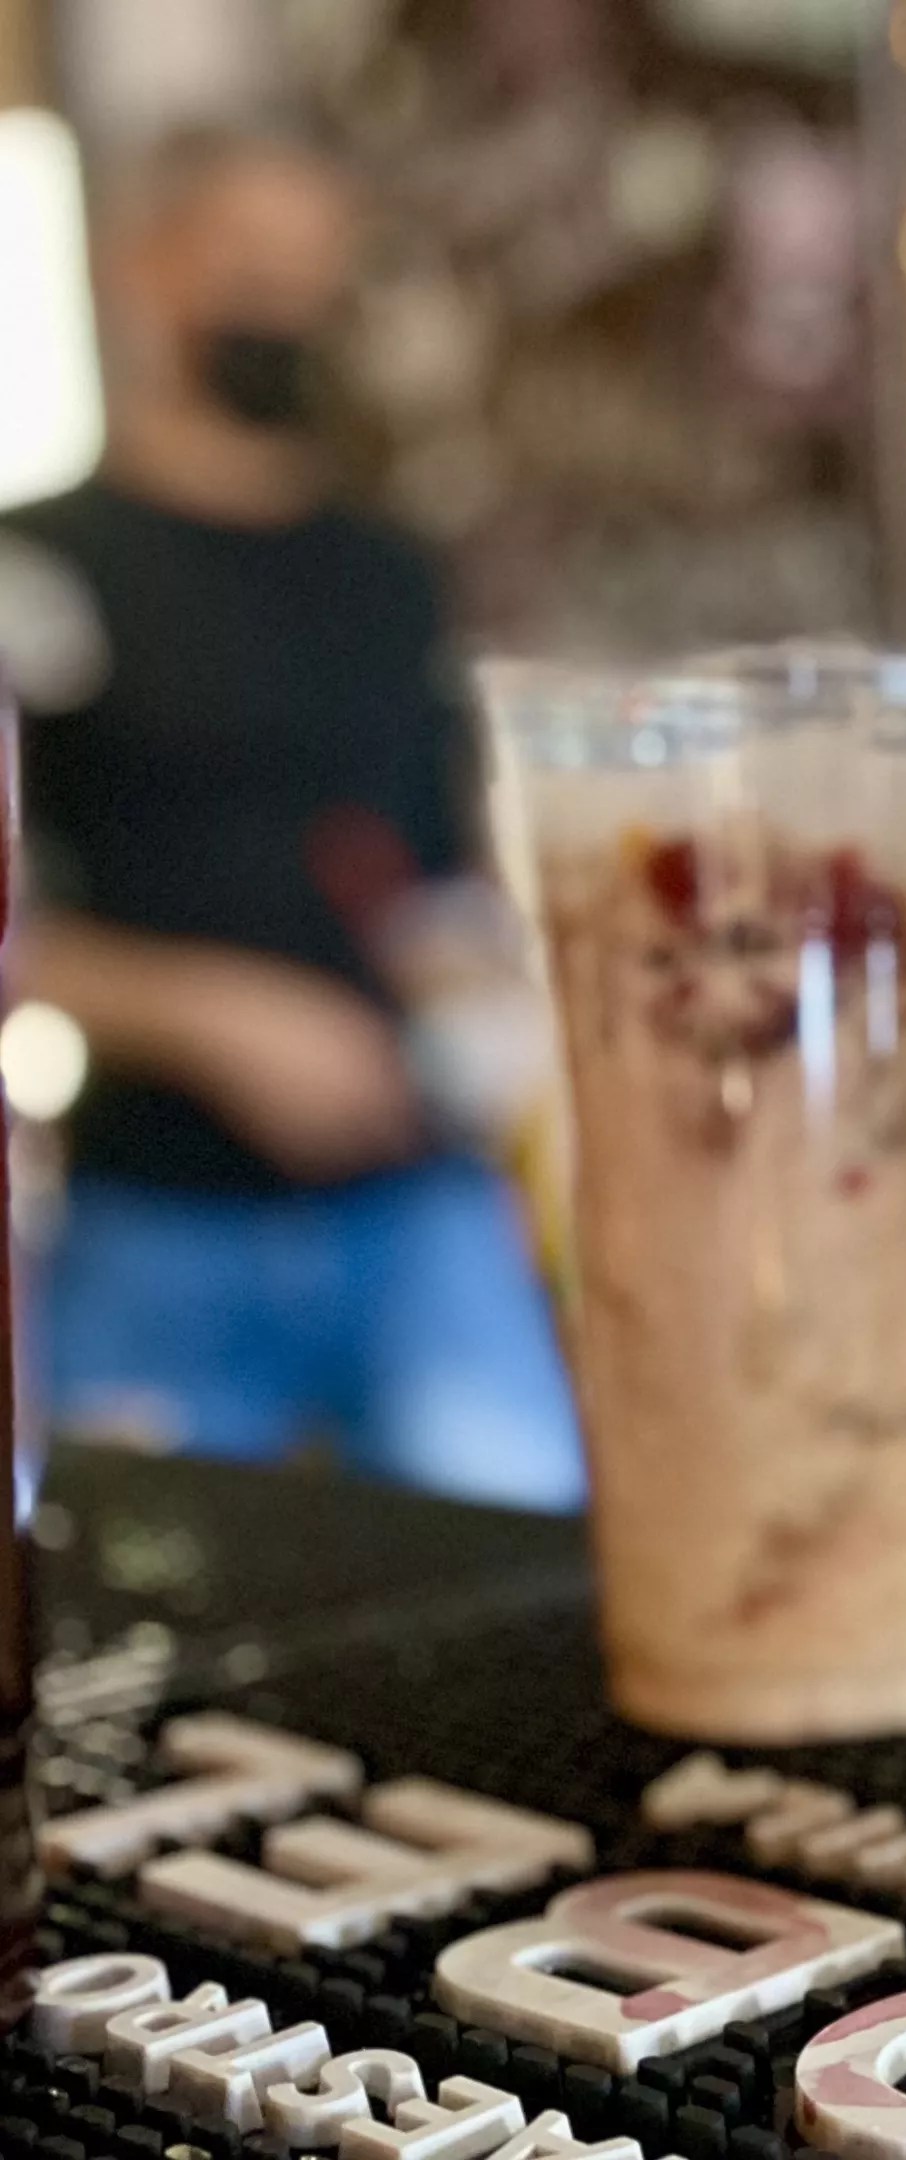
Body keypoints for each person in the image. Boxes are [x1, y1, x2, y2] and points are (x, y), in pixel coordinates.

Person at [0, 125, 584, 1511]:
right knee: (138, 1581)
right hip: (160, 1221)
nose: (283, 298)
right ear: (145, 265)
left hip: (416, 1206)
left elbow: (427, 880)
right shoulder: (41, 571)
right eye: (246, 258)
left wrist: (494, 1032)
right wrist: (213, 1018)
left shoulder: (388, 574)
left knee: (515, 1560)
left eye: (313, 267)